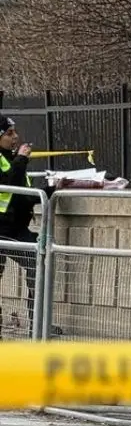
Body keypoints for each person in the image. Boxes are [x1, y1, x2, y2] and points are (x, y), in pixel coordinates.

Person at [0, 116, 43, 338]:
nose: (15, 137)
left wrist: (51, 190)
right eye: (9, 133)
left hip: (14, 229)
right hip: (3, 230)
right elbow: (9, 184)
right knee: (36, 259)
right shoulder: (13, 160)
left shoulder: (11, 158)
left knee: (39, 260)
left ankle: (38, 326)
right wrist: (21, 160)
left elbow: (22, 198)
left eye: (15, 132)